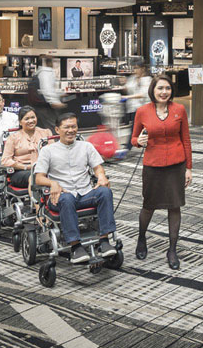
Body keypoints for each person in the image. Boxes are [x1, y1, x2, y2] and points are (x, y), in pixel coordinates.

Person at [34, 113, 118, 264]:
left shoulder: (86, 146)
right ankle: (75, 246)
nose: (70, 130)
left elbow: (98, 168)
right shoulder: (48, 151)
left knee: (105, 191)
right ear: (57, 130)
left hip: (85, 193)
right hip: (60, 196)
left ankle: (104, 241)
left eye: (73, 127)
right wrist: (53, 183)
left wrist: (101, 176)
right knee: (67, 199)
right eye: (66, 127)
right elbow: (38, 177)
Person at [131, 75, 193, 270]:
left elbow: (186, 140)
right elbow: (134, 138)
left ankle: (172, 249)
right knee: (148, 205)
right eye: (160, 89)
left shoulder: (179, 110)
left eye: (167, 88)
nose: (164, 92)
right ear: (153, 90)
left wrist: (189, 168)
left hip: (176, 165)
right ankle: (142, 238)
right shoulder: (142, 111)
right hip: (153, 165)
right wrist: (137, 142)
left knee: (174, 207)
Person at [0, 106, 53, 188]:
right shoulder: (13, 137)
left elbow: (53, 154)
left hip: (44, 169)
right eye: (27, 119)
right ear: (20, 122)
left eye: (33, 117)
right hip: (21, 172)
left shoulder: (46, 133)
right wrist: (25, 167)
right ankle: (35, 201)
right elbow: (5, 160)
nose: (31, 121)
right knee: (34, 177)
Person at [29, 56, 65, 130]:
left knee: (49, 126)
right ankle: (53, 140)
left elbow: (50, 88)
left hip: (43, 105)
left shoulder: (42, 72)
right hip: (46, 106)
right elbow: (47, 89)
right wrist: (54, 102)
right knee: (53, 127)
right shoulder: (46, 73)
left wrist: (60, 94)